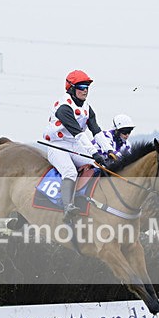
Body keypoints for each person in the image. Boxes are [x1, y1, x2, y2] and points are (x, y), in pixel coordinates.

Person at [41, 69, 105, 222]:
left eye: (87, 87)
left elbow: (96, 130)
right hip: (58, 146)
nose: (85, 91)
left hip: (74, 145)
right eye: (81, 87)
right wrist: (94, 151)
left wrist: (108, 150)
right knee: (70, 172)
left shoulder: (87, 107)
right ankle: (68, 207)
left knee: (98, 165)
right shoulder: (64, 107)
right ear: (71, 88)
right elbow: (79, 134)